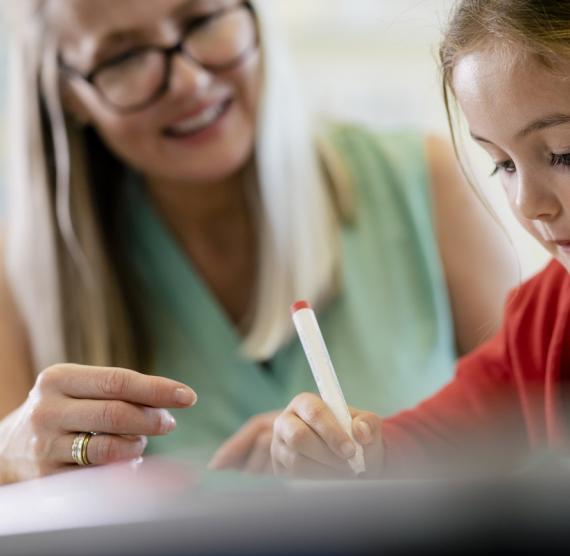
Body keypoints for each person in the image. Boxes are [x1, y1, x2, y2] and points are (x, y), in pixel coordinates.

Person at [0, 0, 515, 485]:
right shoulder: (20, 275)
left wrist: (383, 461)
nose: (188, 80)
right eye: (127, 56)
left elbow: (535, 444)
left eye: (202, 20)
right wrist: (11, 458)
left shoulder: (425, 183)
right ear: (70, 94)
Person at [271, 0, 570, 479]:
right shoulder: (542, 318)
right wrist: (344, 448)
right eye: (503, 165)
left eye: (563, 154)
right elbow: (438, 439)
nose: (527, 204)